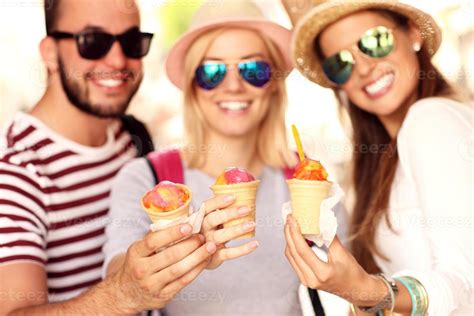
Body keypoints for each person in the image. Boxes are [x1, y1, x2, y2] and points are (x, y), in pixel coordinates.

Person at [103, 0, 347, 314]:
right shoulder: (147, 180)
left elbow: (348, 281)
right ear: (193, 86)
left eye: (253, 70)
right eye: (212, 71)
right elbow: (119, 277)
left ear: (273, 85)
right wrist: (169, 256)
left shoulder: (305, 179)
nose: (233, 86)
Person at [0, 0, 215, 314]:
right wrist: (123, 294)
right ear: (49, 53)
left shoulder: (133, 137)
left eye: (130, 42)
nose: (117, 59)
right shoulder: (16, 172)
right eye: (93, 42)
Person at [284, 0, 473, 315]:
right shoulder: (380, 159)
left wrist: (368, 290)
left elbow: (467, 280)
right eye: (341, 63)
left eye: (375, 41)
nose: (363, 67)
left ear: (413, 34)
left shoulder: (431, 118)